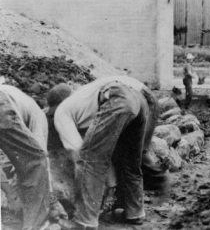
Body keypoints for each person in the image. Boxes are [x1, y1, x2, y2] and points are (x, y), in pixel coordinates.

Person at [50, 76, 161, 229]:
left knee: (88, 161)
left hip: (118, 97)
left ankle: (84, 221)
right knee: (130, 161)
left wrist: (108, 188)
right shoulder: (81, 97)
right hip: (139, 101)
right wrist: (111, 186)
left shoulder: (61, 113)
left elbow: (80, 155)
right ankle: (135, 213)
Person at [0, 83, 67, 230]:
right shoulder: (38, 116)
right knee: (36, 161)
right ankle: (36, 225)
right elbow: (39, 162)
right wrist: (52, 200)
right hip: (2, 104)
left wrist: (10, 194)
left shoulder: (22, 106)